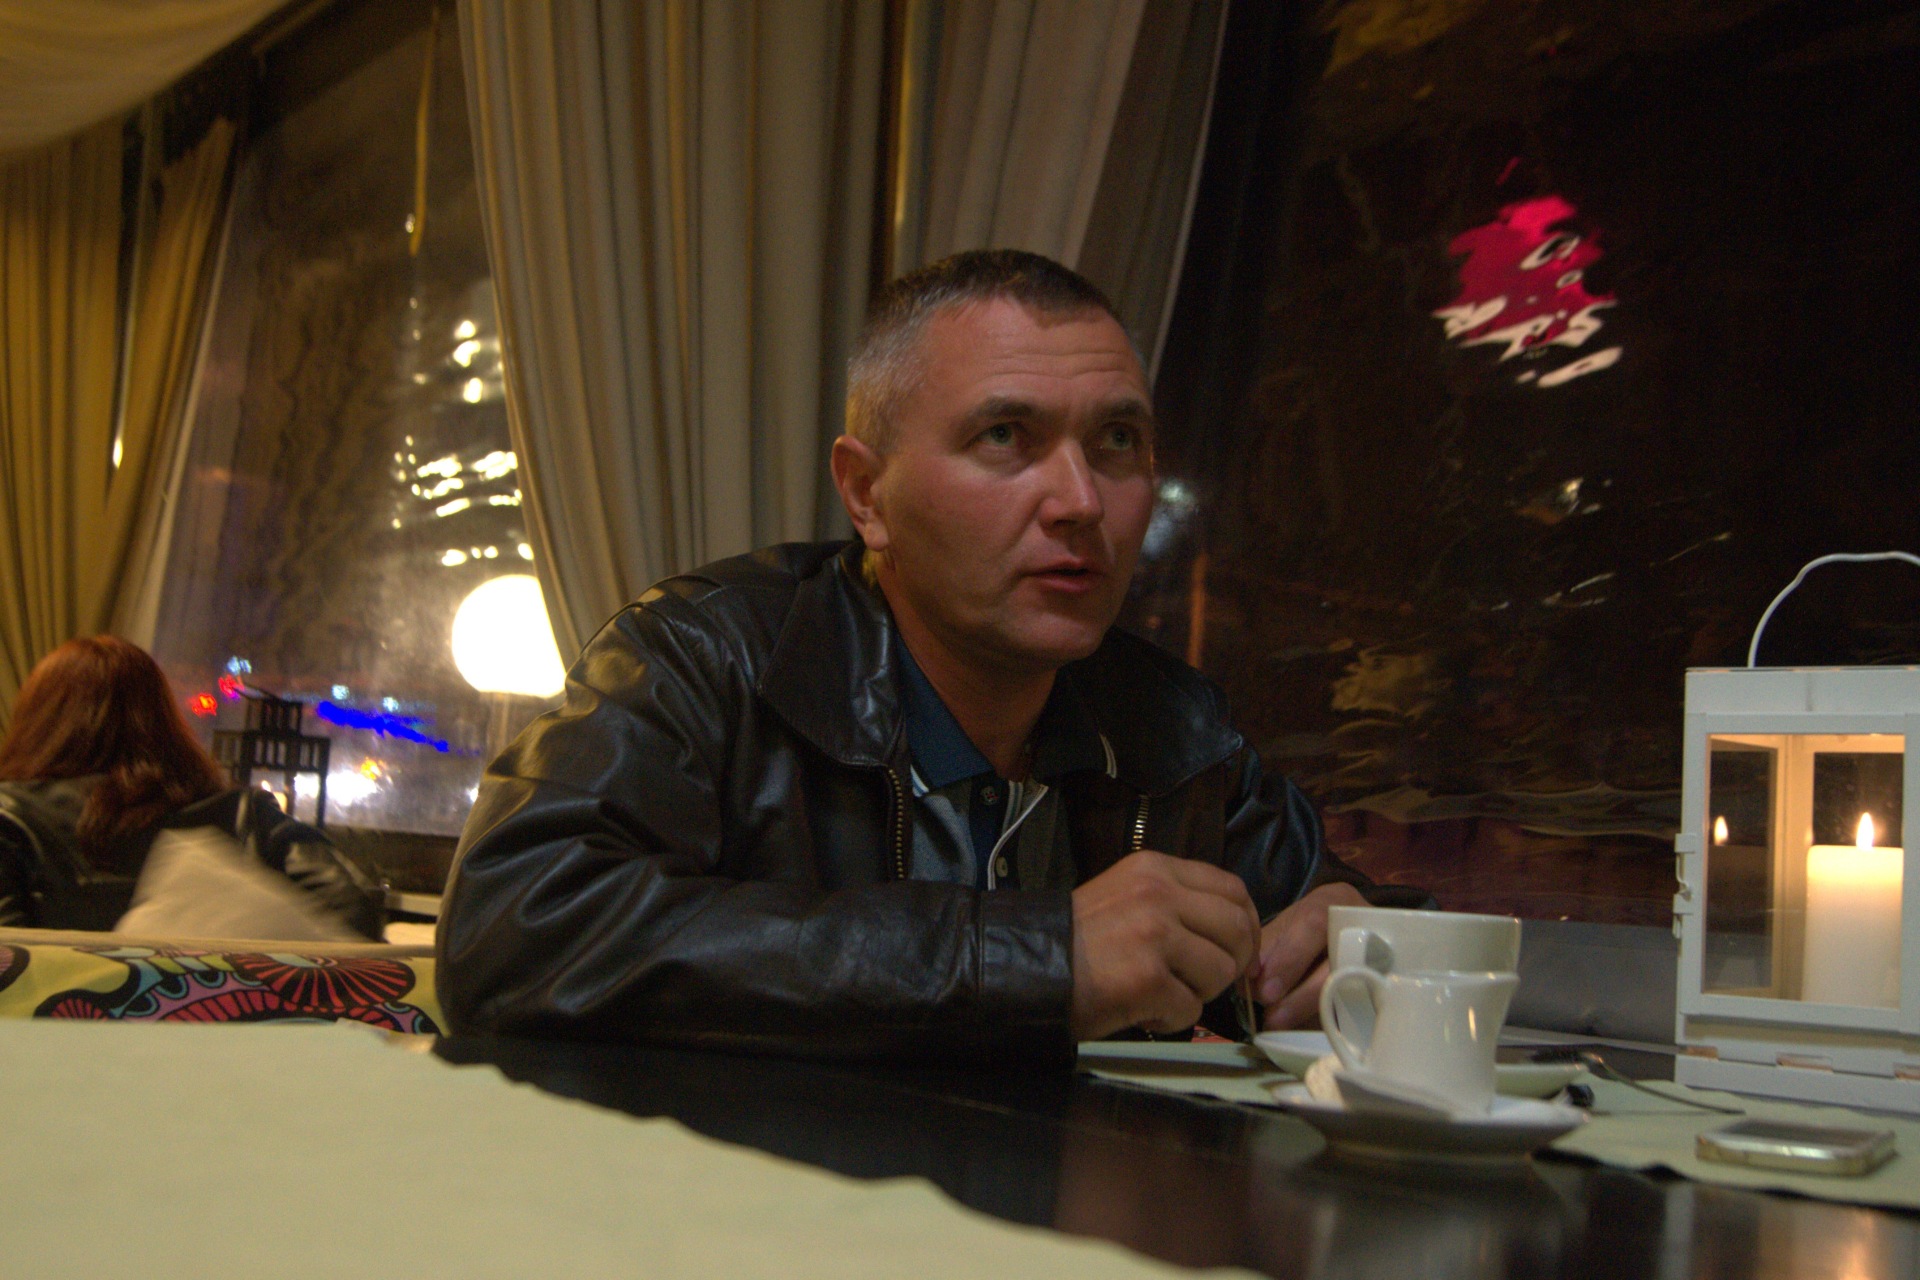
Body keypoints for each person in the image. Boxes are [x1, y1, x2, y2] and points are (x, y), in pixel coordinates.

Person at [439, 250, 1424, 1064]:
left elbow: (1351, 918)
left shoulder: (1167, 723)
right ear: (867, 495)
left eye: (1118, 439)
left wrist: (1361, 937)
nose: (1082, 500)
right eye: (1006, 435)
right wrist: (1041, 959)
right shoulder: (707, 656)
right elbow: (514, 930)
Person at [0, 635, 385, 939]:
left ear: (38, 721)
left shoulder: (11, 819)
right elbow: (355, 910)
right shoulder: (243, 815)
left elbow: (12, 967)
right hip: (225, 1016)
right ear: (161, 720)